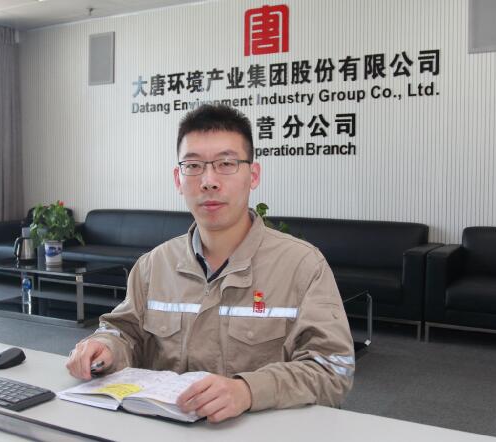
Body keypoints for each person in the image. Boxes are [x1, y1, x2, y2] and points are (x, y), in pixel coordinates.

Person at [66, 104, 355, 423]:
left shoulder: (302, 265)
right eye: (193, 166)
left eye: (226, 163)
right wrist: (105, 346)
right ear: (178, 179)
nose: (209, 181)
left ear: (253, 175)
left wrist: (248, 391)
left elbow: (333, 369)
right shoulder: (154, 266)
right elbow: (125, 332)